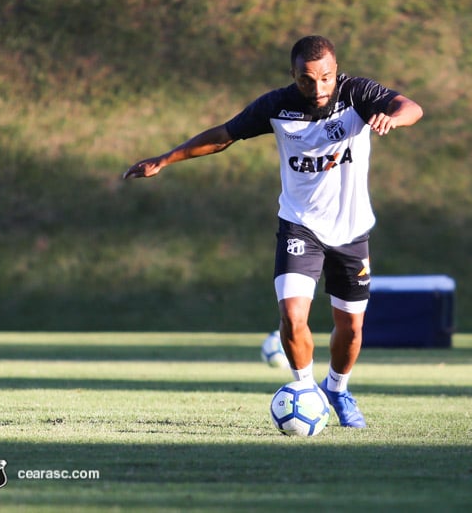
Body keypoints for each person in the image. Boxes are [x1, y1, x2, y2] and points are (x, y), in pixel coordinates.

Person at [123, 35, 423, 427]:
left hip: (351, 233)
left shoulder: (358, 94)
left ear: (336, 72)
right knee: (293, 316)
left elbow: (411, 107)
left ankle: (338, 387)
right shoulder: (276, 106)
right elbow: (223, 136)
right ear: (293, 75)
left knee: (350, 329)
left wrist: (393, 117)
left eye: (325, 78)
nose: (317, 88)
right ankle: (305, 390)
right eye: (306, 79)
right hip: (300, 225)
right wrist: (166, 159)